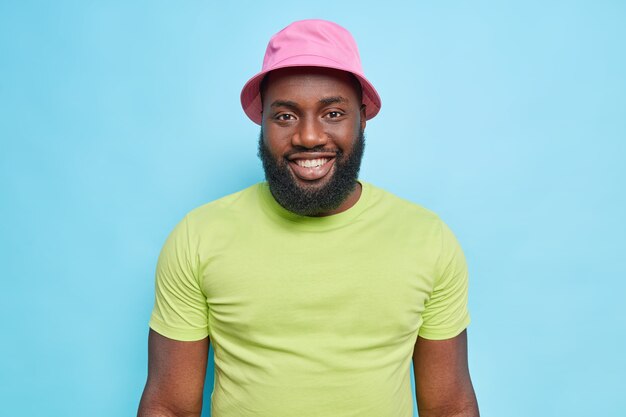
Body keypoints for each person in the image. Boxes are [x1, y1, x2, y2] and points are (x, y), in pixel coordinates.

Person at [138, 19, 479, 417]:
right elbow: (169, 407)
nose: (309, 137)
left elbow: (451, 407)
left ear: (363, 117)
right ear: (261, 122)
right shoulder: (199, 237)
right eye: (285, 116)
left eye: (333, 113)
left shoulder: (427, 240)